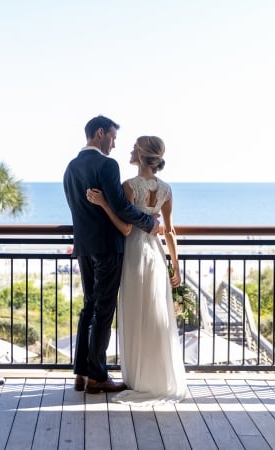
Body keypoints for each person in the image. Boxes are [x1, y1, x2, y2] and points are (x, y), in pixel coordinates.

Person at [86, 135, 187, 406]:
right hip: (156, 254)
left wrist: (105, 204)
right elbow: (170, 231)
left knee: (134, 313)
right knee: (154, 314)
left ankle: (137, 379)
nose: (129, 151)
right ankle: (155, 378)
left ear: (141, 156)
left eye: (134, 148)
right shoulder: (166, 189)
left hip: (132, 254)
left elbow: (126, 227)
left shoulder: (129, 186)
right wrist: (175, 265)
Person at [63, 115, 159, 394]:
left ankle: (81, 373)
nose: (114, 145)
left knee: (89, 307)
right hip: (107, 246)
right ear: (100, 133)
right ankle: (97, 377)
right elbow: (120, 207)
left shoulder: (71, 167)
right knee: (103, 311)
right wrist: (150, 223)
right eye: (113, 138)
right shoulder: (106, 164)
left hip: (84, 246)